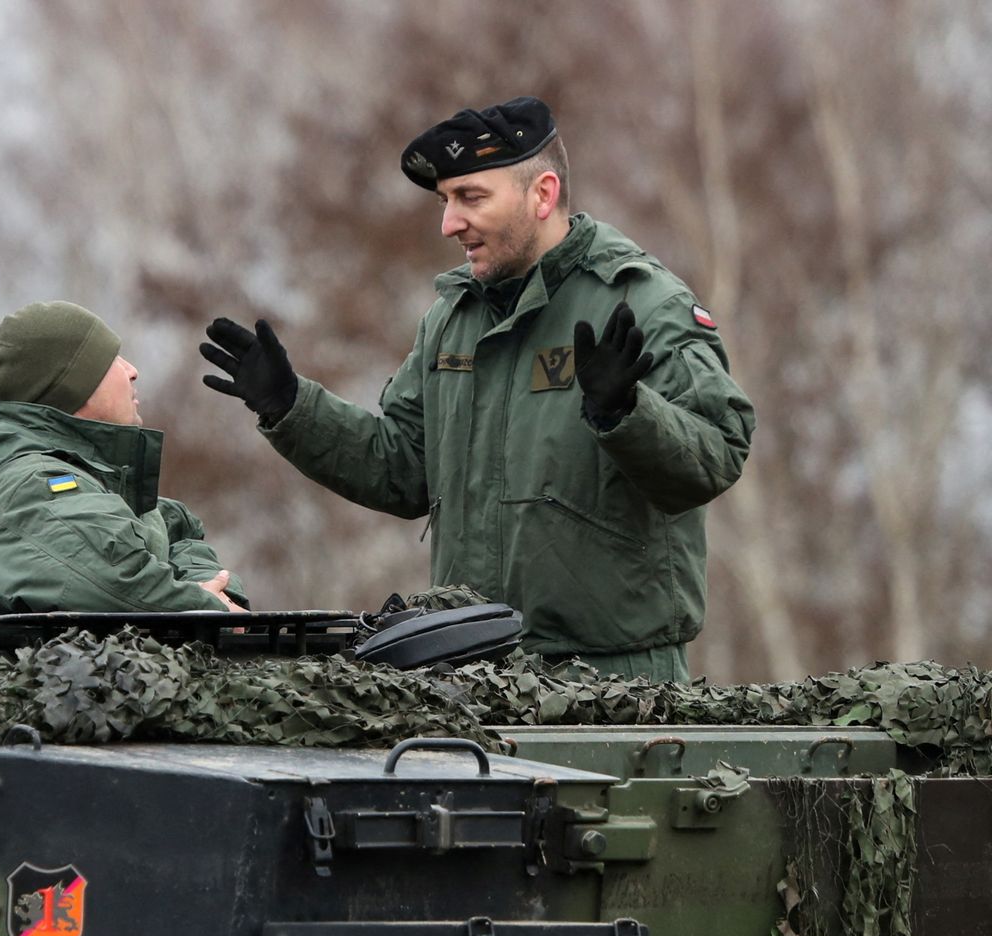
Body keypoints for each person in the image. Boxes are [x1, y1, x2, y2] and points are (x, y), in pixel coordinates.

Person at [201, 97, 753, 681]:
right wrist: (292, 407)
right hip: (472, 676)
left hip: (617, 688)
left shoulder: (643, 301)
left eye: (471, 198)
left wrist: (628, 413)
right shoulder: (452, 317)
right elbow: (404, 469)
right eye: (445, 201)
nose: (449, 224)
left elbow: (719, 453)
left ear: (542, 194)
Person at [0, 300, 247, 620]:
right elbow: (116, 584)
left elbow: (176, 531)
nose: (131, 370)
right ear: (71, 384)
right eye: (109, 360)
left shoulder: (85, 478)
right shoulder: (30, 486)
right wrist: (209, 605)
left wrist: (215, 591)